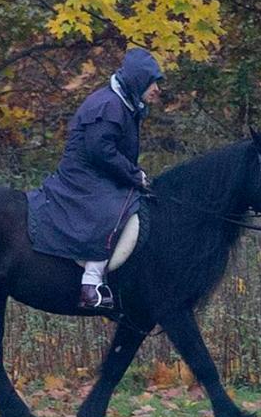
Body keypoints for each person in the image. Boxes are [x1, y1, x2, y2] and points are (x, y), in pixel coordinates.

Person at [27, 48, 164, 309]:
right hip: (84, 176)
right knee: (113, 208)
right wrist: (135, 175)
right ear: (138, 80)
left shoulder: (124, 103)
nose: (157, 88)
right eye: (152, 82)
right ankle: (91, 285)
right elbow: (101, 151)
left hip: (98, 171)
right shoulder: (108, 105)